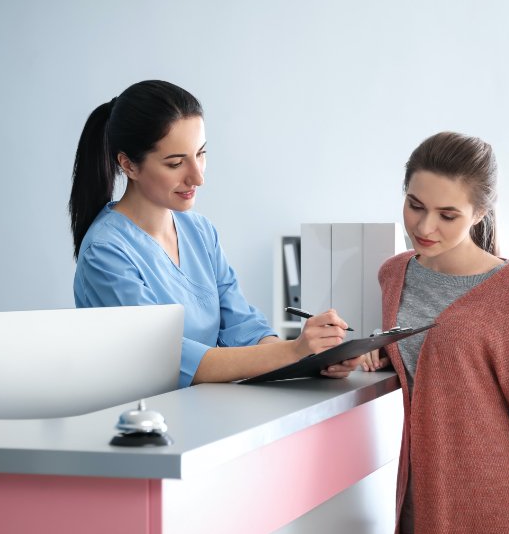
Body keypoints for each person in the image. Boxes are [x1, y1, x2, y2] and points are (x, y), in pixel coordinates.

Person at [359, 132, 509, 534]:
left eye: (447, 215)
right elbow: (434, 374)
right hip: (416, 512)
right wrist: (370, 357)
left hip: (494, 527)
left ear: (479, 214)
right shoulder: (392, 276)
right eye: (415, 205)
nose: (423, 227)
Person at [69, 80, 354, 388]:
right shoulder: (106, 251)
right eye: (176, 163)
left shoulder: (200, 232)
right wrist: (295, 350)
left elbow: (243, 328)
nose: (198, 177)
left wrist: (315, 357)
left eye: (200, 154)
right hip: (141, 425)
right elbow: (172, 360)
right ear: (128, 165)